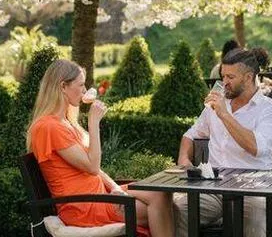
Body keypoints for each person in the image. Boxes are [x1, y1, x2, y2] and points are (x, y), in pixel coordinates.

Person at [26, 59, 174, 237]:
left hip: (100, 195)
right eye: (80, 85)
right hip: (83, 206)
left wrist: (115, 188)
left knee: (161, 194)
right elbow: (92, 166)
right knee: (161, 208)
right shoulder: (48, 127)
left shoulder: (65, 122)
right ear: (63, 86)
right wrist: (93, 123)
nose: (84, 90)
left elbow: (94, 171)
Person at [175, 48, 272, 237]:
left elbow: (257, 148)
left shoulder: (270, 111)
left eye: (230, 77)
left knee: (256, 218)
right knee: (179, 209)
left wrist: (224, 114)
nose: (224, 82)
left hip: (254, 188)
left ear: (249, 77)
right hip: (214, 186)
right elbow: (191, 134)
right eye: (223, 76)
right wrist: (184, 159)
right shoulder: (214, 107)